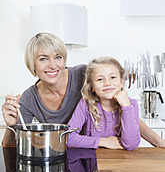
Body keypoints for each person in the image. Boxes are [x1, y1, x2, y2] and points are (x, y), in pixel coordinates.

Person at [2, 32, 165, 148]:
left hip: (95, 157)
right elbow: (9, 148)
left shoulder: (84, 75)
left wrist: (158, 142)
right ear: (33, 65)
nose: (53, 65)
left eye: (58, 57)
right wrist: (11, 125)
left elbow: (125, 112)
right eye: (43, 59)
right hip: (64, 157)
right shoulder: (29, 98)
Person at [67, 56, 141, 150]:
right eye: (100, 79)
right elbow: (68, 137)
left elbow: (131, 145)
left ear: (121, 81)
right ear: (92, 86)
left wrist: (126, 107)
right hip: (93, 160)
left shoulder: (131, 104)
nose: (107, 83)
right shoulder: (86, 104)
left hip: (122, 161)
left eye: (113, 77)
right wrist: (102, 141)